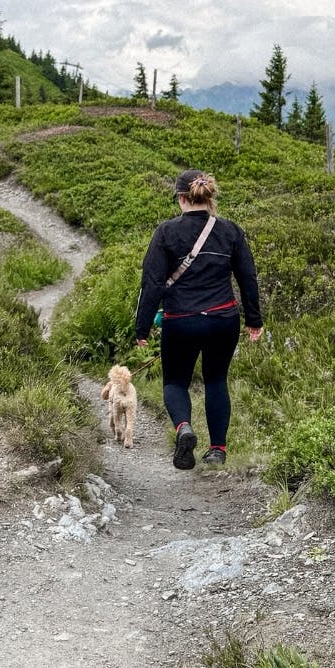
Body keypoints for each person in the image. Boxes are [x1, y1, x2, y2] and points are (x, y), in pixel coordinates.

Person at [134, 169, 263, 470]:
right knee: (216, 380)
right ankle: (217, 449)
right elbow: (248, 278)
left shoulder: (165, 232)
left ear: (181, 198)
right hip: (223, 319)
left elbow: (151, 284)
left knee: (175, 382)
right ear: (209, 197)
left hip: (181, 320)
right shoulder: (231, 231)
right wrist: (253, 320)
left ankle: (184, 429)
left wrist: (142, 328)